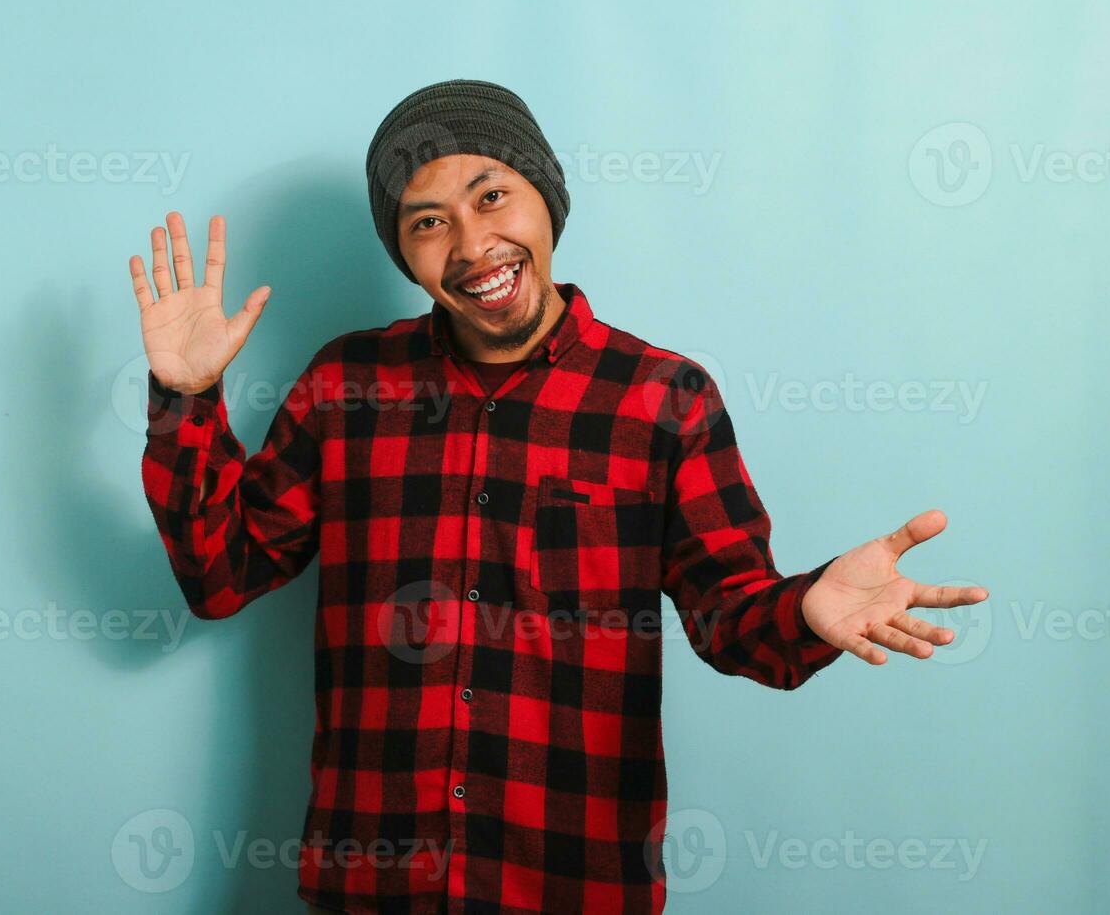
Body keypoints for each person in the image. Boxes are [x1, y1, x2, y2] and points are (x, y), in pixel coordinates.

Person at [127, 79, 989, 915]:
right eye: (429, 222)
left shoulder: (663, 399)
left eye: (491, 196)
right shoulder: (346, 385)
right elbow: (220, 573)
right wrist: (185, 400)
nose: (471, 244)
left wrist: (807, 608)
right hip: (371, 887)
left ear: (544, 200)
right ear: (405, 254)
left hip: (573, 886)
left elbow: (735, 623)